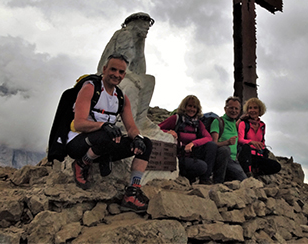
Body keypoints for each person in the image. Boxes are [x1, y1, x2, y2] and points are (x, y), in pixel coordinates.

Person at [66, 54, 153, 213]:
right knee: (108, 133)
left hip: (104, 144)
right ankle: (82, 163)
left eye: (121, 72)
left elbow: (131, 127)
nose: (116, 75)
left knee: (146, 143)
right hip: (78, 143)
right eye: (113, 69)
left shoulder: (121, 97)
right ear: (104, 69)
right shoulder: (90, 88)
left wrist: (138, 138)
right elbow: (78, 123)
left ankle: (132, 192)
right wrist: (103, 125)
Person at [159, 95, 218, 184]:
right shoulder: (176, 119)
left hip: (191, 155)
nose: (192, 109)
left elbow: (208, 138)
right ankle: (187, 176)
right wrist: (168, 132)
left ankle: (204, 180)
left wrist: (193, 143)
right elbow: (156, 129)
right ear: (184, 107)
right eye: (189, 106)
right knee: (202, 167)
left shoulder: (198, 123)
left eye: (195, 107)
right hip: (177, 156)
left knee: (212, 146)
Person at [237, 98, 281, 176]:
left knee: (277, 166)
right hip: (246, 155)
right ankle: (247, 172)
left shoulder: (262, 125)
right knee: (246, 147)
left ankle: (256, 172)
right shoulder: (243, 123)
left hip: (258, 155)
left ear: (260, 110)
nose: (252, 110)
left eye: (255, 108)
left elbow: (262, 141)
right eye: (250, 108)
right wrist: (251, 142)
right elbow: (240, 140)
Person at [210, 96, 247, 183]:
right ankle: (218, 181)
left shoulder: (235, 123)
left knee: (244, 180)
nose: (233, 111)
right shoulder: (218, 122)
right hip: (222, 158)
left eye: (236, 108)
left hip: (234, 160)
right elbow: (213, 144)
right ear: (225, 109)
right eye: (231, 108)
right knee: (225, 150)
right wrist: (227, 142)